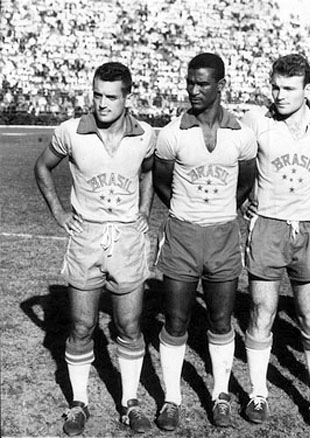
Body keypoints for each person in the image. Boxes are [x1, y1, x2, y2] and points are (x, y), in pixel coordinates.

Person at [34, 62, 156, 436]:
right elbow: (42, 167)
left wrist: (144, 211)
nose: (102, 104)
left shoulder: (146, 134)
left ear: (127, 97)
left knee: (130, 326)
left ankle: (130, 402)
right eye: (97, 95)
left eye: (111, 97)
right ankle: (79, 403)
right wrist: (58, 211)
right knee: (83, 325)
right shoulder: (71, 131)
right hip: (86, 237)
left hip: (127, 239)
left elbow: (149, 171)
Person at [152, 53, 257, 430]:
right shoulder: (171, 132)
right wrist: (188, 209)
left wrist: (218, 213)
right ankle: (171, 399)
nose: (194, 90)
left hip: (224, 235)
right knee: (176, 319)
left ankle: (221, 395)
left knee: (221, 319)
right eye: (190, 82)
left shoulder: (241, 134)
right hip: (182, 234)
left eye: (203, 84)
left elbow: (245, 181)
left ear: (220, 86)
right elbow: (162, 180)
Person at [241, 53, 310, 426]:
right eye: (275, 87)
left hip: (309, 230)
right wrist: (245, 198)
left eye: (288, 88)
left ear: (307, 90)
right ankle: (258, 394)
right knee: (261, 311)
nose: (279, 95)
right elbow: (236, 158)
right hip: (268, 226)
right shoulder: (256, 121)